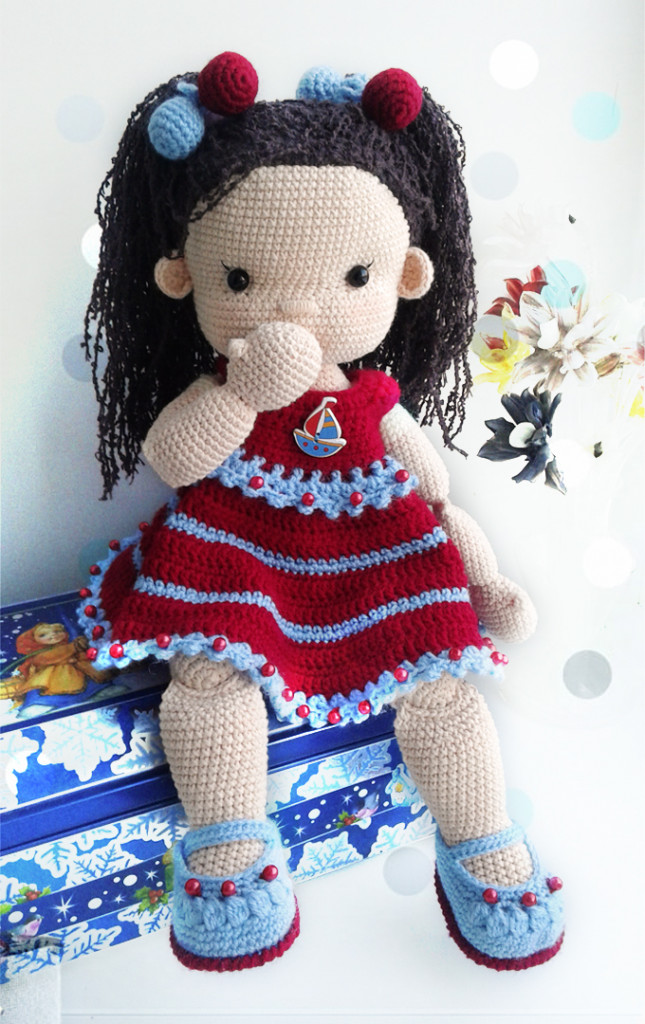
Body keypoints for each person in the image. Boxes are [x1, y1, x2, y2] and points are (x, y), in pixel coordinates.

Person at [79, 53, 564, 972]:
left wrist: (481, 576)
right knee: (206, 675)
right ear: (184, 276)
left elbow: (433, 496)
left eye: (350, 277)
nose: (298, 308)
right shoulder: (222, 386)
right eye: (240, 280)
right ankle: (229, 853)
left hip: (372, 563)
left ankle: (482, 845)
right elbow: (172, 458)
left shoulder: (376, 403)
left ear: (404, 274)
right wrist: (240, 393)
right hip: (237, 558)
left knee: (441, 686)